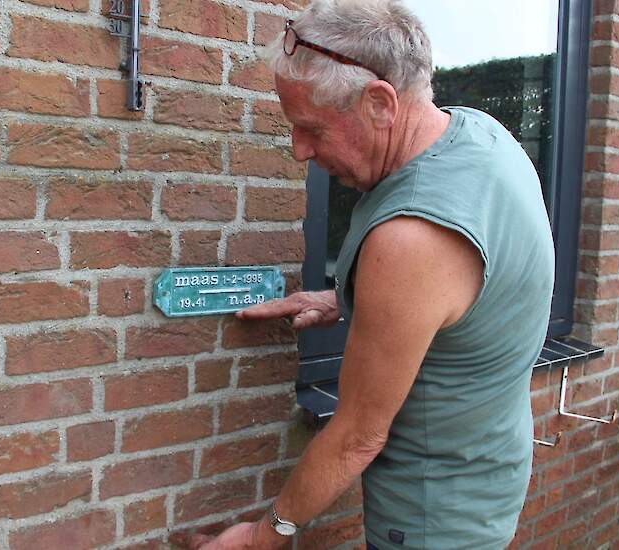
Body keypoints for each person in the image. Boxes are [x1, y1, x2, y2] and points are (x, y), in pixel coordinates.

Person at [188, 1, 555, 549]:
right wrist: (353, 299)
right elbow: (474, 291)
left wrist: (261, 537)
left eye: (311, 129)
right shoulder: (482, 136)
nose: (299, 151)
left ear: (380, 103)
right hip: (488, 477)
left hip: (432, 520)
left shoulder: (410, 241)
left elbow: (358, 437)